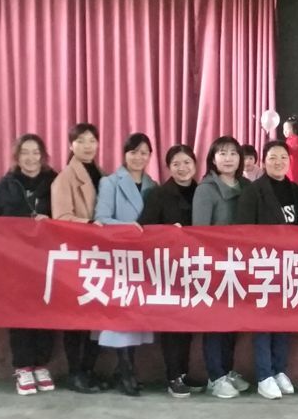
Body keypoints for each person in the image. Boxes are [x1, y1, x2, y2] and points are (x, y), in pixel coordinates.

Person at [0, 133, 59, 396]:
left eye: (36, 152)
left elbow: (69, 215)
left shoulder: (55, 181)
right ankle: (23, 367)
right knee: (20, 312)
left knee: (47, 312)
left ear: (43, 156)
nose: (31, 158)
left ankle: (41, 364)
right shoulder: (7, 185)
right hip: (16, 261)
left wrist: (52, 221)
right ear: (17, 156)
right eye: (25, 152)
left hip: (48, 261)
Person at [93, 132, 157, 397]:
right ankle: (126, 370)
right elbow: (101, 218)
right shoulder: (110, 182)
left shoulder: (153, 185)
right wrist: (129, 228)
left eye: (144, 153)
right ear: (124, 154)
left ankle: (126, 370)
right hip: (118, 257)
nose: (138, 157)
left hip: (143, 260)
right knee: (120, 318)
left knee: (136, 317)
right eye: (133, 152)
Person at [238, 139, 298, 399]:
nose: (278, 162)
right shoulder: (254, 191)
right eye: (273, 157)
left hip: (289, 265)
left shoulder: (295, 190)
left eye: (283, 157)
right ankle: (264, 375)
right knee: (263, 322)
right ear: (263, 162)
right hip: (262, 265)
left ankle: (279, 369)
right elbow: (243, 230)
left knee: (284, 320)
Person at [191, 136, 252, 398]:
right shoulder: (206, 189)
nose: (228, 158)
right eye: (222, 153)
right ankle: (214, 376)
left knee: (233, 322)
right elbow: (200, 232)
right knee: (215, 322)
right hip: (215, 265)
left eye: (233, 153)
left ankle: (227, 370)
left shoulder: (247, 187)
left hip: (241, 264)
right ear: (213, 159)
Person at [139, 143, 200, 398]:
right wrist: (166, 232)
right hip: (168, 269)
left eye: (187, 162)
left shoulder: (202, 191)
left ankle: (183, 372)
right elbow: (145, 229)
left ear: (195, 165)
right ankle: (172, 375)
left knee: (189, 324)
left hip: (197, 268)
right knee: (173, 324)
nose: (182, 168)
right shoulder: (158, 195)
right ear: (168, 168)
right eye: (176, 164)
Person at [51, 122, 105, 392]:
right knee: (76, 318)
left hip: (99, 254)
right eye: (81, 141)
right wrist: (90, 225)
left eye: (92, 140)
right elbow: (61, 218)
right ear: (71, 145)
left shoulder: (101, 173)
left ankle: (89, 370)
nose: (87, 146)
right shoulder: (64, 178)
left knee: (97, 319)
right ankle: (75, 373)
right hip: (77, 255)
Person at [282, 116, 298, 185]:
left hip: (293, 164)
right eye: (283, 129)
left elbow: (293, 150)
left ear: (295, 129)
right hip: (290, 163)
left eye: (287, 129)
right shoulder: (290, 139)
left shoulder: (296, 139)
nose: (284, 131)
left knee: (292, 181)